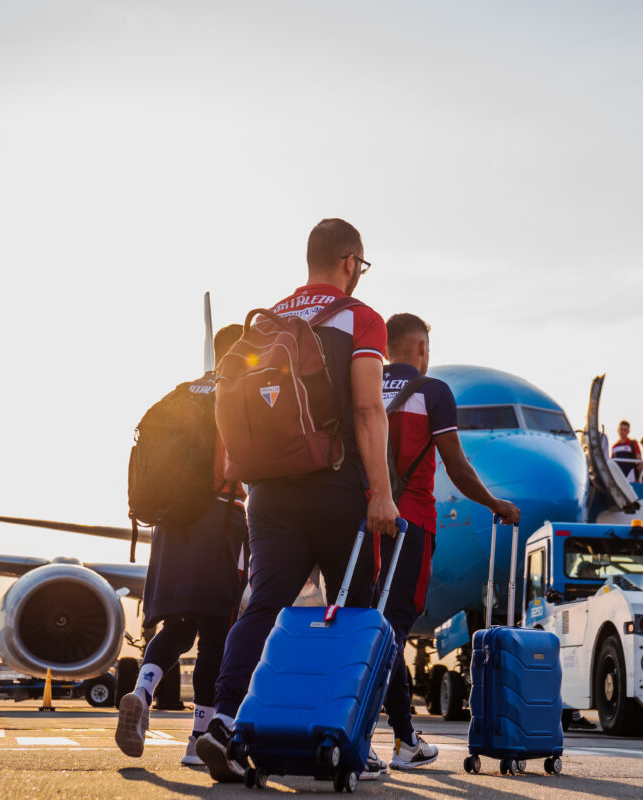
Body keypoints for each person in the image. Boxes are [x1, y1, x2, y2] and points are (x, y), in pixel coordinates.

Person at [197, 219, 400, 783]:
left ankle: (223, 719)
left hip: (267, 491)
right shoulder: (360, 318)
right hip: (335, 487)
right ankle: (346, 733)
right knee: (355, 612)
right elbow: (366, 410)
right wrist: (381, 493)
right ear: (350, 262)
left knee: (263, 606)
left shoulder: (268, 320)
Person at [378, 313, 521, 768]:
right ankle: (378, 738)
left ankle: (397, 736)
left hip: (361, 523)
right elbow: (457, 469)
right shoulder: (433, 391)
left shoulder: (362, 386)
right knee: (392, 630)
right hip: (410, 523)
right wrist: (495, 504)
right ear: (420, 348)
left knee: (371, 626)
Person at [115, 324, 249, 768]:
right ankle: (197, 741)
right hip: (220, 517)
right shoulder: (239, 389)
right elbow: (238, 462)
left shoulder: (181, 394)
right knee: (217, 634)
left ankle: (141, 691)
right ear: (244, 350)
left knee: (177, 628)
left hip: (171, 526)